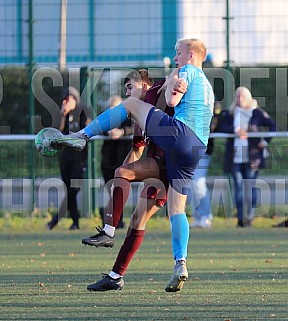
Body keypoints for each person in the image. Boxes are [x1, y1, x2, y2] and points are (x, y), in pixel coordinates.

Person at [52, 38, 215, 291]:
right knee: (173, 211)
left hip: (177, 141)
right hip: (192, 151)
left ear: (191, 54)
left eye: (178, 53)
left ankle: (82, 136)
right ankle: (173, 264)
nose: (175, 58)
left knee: (126, 107)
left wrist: (173, 79)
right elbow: (137, 151)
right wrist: (122, 177)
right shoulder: (205, 85)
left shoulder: (179, 74)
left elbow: (171, 101)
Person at [82, 69, 175, 290]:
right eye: (124, 87)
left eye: (130, 86)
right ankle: (115, 277)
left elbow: (171, 80)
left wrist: (178, 71)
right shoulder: (138, 117)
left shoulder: (155, 94)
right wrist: (120, 180)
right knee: (136, 220)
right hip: (158, 168)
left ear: (144, 86)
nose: (126, 91)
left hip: (170, 163)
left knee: (122, 175)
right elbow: (136, 150)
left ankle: (108, 232)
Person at [216, 86, 276, 227]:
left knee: (250, 187)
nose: (239, 99)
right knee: (238, 187)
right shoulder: (230, 114)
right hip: (234, 158)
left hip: (252, 157)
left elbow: (272, 126)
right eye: (237, 96)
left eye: (242, 96)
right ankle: (241, 218)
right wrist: (235, 130)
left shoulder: (256, 113)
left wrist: (265, 142)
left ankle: (249, 217)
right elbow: (220, 127)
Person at [47, 86, 92, 230]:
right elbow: (56, 132)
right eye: (66, 99)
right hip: (65, 159)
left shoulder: (83, 110)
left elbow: (89, 129)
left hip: (80, 160)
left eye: (70, 98)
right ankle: (75, 223)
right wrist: (63, 114)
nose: (67, 101)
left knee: (73, 190)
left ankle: (55, 219)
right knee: (69, 191)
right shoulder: (62, 114)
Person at [99, 95, 134, 229]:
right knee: (113, 191)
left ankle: (112, 219)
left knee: (119, 191)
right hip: (108, 161)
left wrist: (122, 132)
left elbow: (134, 128)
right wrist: (108, 131)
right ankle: (112, 220)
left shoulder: (128, 118)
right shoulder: (105, 119)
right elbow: (97, 127)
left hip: (123, 161)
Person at [190, 101, 222, 228]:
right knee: (192, 185)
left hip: (203, 152)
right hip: (189, 152)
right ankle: (197, 217)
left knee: (198, 183)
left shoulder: (211, 107)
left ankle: (206, 216)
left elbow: (216, 123)